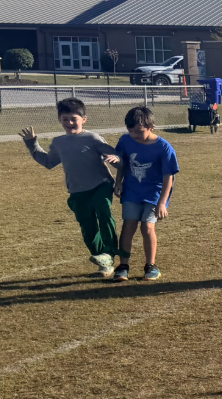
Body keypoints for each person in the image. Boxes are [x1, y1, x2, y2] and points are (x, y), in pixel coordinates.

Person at [18, 98, 121, 277]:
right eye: (65, 119)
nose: (70, 123)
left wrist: (116, 159)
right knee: (88, 228)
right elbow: (49, 162)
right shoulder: (59, 142)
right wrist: (32, 144)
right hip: (77, 192)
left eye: (74, 119)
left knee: (104, 211)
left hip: (101, 185)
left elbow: (116, 156)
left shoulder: (93, 138)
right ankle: (103, 261)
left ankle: (110, 251)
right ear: (59, 119)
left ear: (84, 119)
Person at [113, 107, 180, 281]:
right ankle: (123, 266)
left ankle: (151, 265)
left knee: (147, 227)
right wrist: (118, 182)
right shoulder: (125, 140)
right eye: (131, 131)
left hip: (153, 193)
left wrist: (162, 203)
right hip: (131, 191)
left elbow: (169, 176)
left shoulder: (163, 147)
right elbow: (122, 163)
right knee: (128, 225)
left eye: (139, 131)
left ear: (152, 127)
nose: (134, 135)